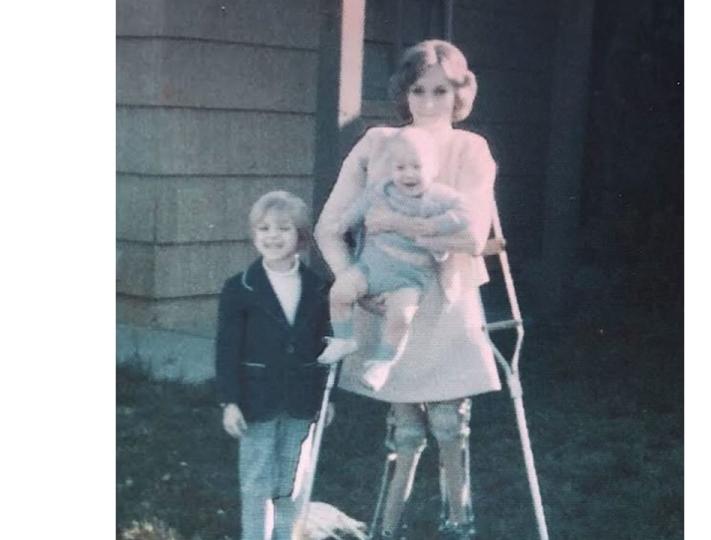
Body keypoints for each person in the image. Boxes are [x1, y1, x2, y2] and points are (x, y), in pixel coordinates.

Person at [314, 40, 501, 539]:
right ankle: (385, 528)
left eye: (441, 90)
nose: (429, 101)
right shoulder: (378, 143)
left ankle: (459, 525)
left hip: (447, 297)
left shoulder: (470, 149)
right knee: (404, 428)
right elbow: (329, 227)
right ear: (404, 91)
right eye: (418, 89)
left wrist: (397, 221)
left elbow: (471, 232)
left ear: (459, 93)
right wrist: (351, 282)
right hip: (388, 295)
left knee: (449, 422)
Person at [215, 190, 333, 540]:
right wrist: (230, 401)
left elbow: (324, 345)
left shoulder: (317, 287)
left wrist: (327, 401)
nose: (272, 236)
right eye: (264, 228)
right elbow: (227, 349)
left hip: (301, 401)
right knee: (256, 482)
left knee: (292, 481)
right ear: (254, 235)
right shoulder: (240, 288)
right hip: (255, 401)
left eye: (283, 228)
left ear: (300, 237)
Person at [317, 126, 469, 391]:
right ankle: (343, 338)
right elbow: (362, 204)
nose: (408, 174)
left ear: (433, 169)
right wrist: (344, 222)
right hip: (371, 267)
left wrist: (437, 226)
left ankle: (383, 364)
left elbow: (465, 213)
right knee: (339, 292)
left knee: (400, 318)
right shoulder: (382, 189)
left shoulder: (440, 197)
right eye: (400, 168)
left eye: (416, 167)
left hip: (408, 278)